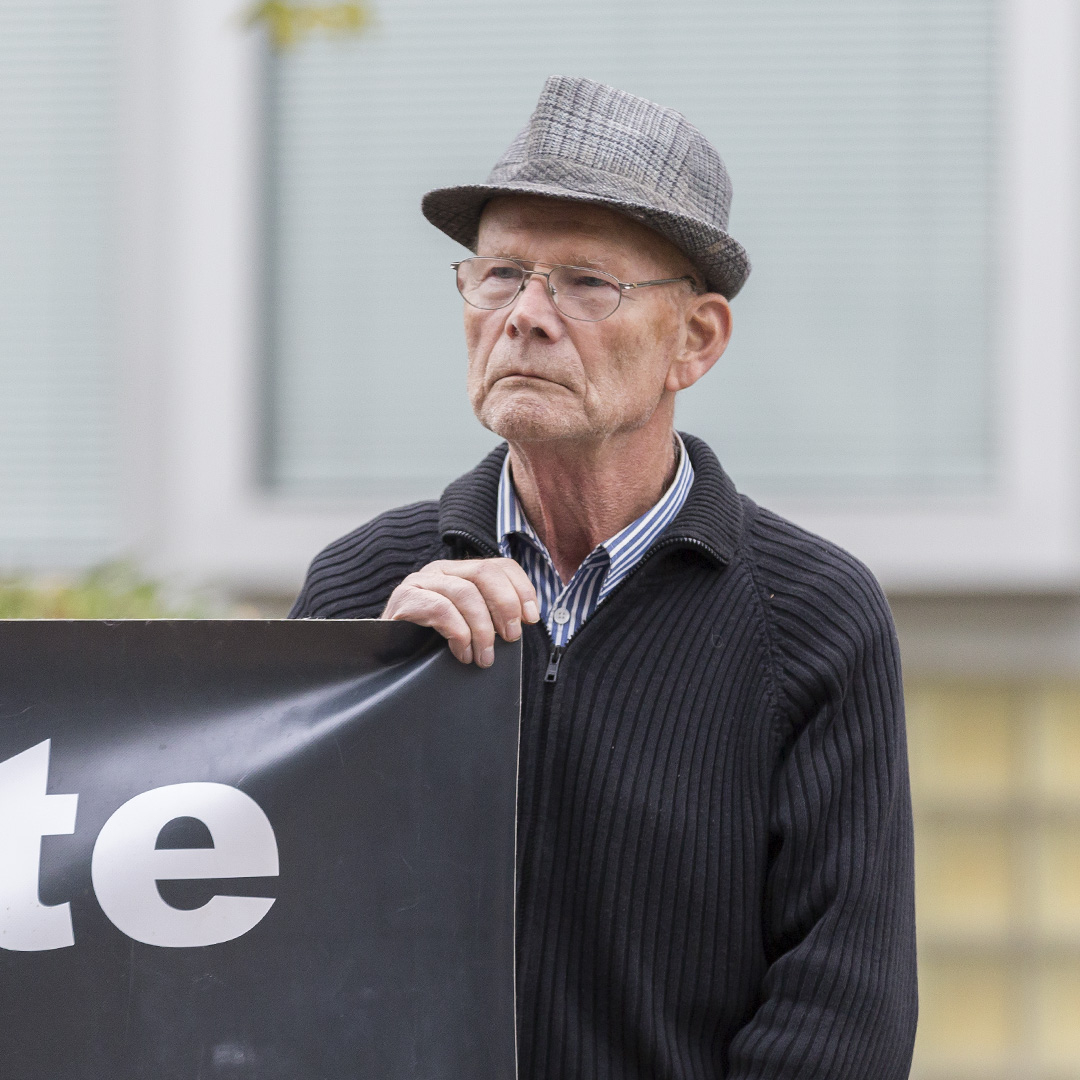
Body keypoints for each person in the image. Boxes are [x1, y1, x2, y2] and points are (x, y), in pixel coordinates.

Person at [291, 75, 917, 1079]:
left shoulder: (812, 619)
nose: (526, 317)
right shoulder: (363, 588)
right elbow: (273, 943)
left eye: (586, 283)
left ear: (695, 341)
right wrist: (374, 689)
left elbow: (842, 1014)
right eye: (501, 274)